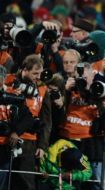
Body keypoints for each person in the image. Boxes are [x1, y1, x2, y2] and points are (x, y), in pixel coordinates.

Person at [5, 54, 52, 190]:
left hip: (30, 143)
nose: (38, 77)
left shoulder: (43, 89)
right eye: (35, 73)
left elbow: (46, 121)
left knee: (26, 183)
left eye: (40, 73)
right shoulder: (9, 82)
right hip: (7, 140)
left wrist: (42, 146)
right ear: (24, 70)